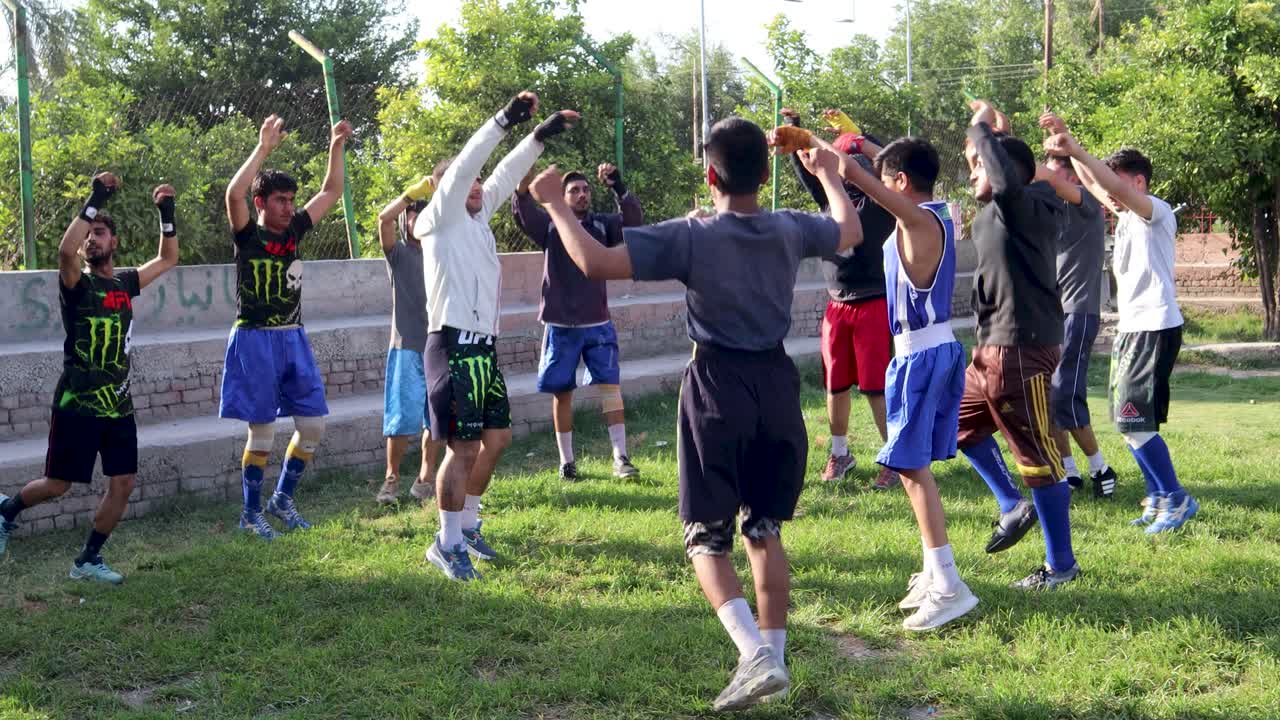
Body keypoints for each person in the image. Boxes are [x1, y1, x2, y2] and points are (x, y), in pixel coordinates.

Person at [529, 117, 862, 711]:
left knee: (706, 538)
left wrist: (556, 205)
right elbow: (848, 229)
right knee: (764, 529)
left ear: (710, 174)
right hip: (778, 385)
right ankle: (774, 662)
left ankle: (753, 653)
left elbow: (596, 262)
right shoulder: (788, 228)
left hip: (716, 387)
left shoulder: (693, 235)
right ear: (765, 173)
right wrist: (830, 175)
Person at [810, 127, 980, 629]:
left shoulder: (917, 220)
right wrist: (849, 146)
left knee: (911, 469)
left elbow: (882, 192)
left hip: (921, 353)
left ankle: (948, 583)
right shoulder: (941, 212)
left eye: (885, 181)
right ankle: (934, 569)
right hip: (928, 349)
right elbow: (883, 181)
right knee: (912, 468)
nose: (875, 191)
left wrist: (847, 168)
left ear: (901, 182)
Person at [413, 92, 579, 580]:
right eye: (466, 182)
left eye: (478, 184)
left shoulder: (476, 219)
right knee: (462, 449)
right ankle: (445, 545)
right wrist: (503, 119)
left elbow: (502, 176)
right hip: (452, 345)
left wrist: (537, 137)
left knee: (498, 438)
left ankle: (466, 527)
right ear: (444, 190)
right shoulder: (437, 219)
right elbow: (469, 164)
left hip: (482, 348)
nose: (477, 185)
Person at [0, 173, 179, 583]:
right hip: (77, 404)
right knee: (58, 484)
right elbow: (65, 250)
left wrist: (166, 213)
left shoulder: (125, 282)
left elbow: (168, 259)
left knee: (124, 482)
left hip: (118, 404)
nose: (91, 240)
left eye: (100, 233)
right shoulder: (76, 284)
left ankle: (88, 561)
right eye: (89, 234)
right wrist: (96, 197)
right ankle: (7, 511)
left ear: (114, 242)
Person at [1042, 113, 1199, 533]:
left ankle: (1177, 498)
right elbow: (1096, 186)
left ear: (1138, 182)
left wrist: (1075, 148)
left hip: (1154, 326)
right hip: (1133, 330)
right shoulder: (1128, 216)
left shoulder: (1156, 212)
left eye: (1119, 181)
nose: (1110, 189)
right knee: (1129, 422)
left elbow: (1107, 185)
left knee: (1133, 420)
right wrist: (1065, 146)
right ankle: (1158, 497)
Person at [957, 100, 1081, 590]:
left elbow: (1009, 180)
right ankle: (1012, 505)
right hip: (991, 348)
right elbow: (1007, 177)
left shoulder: (1023, 205)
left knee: (1038, 457)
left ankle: (1061, 567)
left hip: (1018, 350)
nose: (972, 176)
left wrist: (981, 125)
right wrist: (996, 138)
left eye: (977, 166)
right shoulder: (1015, 205)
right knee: (955, 427)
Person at [220, 114, 353, 540]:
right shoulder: (246, 235)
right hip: (254, 339)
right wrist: (263, 149)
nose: (289, 207)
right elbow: (233, 193)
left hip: (293, 337)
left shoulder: (294, 231)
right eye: (280, 200)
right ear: (261, 204)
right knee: (261, 432)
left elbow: (332, 191)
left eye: (292, 200)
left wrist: (335, 145)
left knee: (312, 426)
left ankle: (282, 498)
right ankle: (249, 512)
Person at [780, 108, 900, 489]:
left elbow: (887, 162)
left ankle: (894, 460)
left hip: (873, 304)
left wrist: (860, 138)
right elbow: (810, 172)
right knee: (835, 384)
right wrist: (797, 134)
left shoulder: (880, 202)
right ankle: (839, 453)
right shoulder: (832, 199)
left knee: (876, 387)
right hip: (837, 305)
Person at [513, 162, 643, 481]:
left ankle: (621, 457)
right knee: (562, 393)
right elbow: (522, 209)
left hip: (598, 323)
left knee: (611, 388)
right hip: (560, 326)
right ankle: (567, 463)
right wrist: (524, 182)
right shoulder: (549, 225)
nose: (582, 195)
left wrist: (618, 187)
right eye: (574, 190)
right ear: (562, 196)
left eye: (586, 189)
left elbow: (634, 223)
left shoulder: (602, 225)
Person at [1036, 150, 1119, 498]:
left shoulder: (1086, 206)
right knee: (1047, 395)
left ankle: (1100, 468)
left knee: (1065, 396)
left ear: (1072, 178)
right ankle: (1069, 470)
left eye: (1055, 175)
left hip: (1079, 314)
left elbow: (1048, 177)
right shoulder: (1053, 213)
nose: (1047, 181)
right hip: (1054, 316)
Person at [374, 176, 445, 504]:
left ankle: (426, 478)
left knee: (436, 417)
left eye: (424, 213)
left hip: (439, 347)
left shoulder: (442, 252)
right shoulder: (399, 255)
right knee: (401, 418)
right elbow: (383, 219)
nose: (417, 219)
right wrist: (410, 195)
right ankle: (391, 480)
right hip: (405, 348)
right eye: (413, 214)